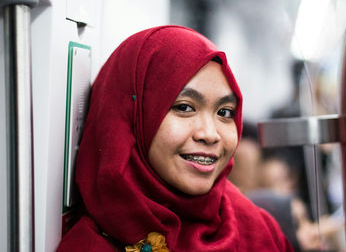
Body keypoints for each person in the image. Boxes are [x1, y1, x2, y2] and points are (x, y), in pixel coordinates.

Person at [57, 26, 293, 251]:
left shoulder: (257, 228)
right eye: (184, 107)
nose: (210, 134)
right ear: (131, 119)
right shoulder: (90, 246)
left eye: (224, 112)